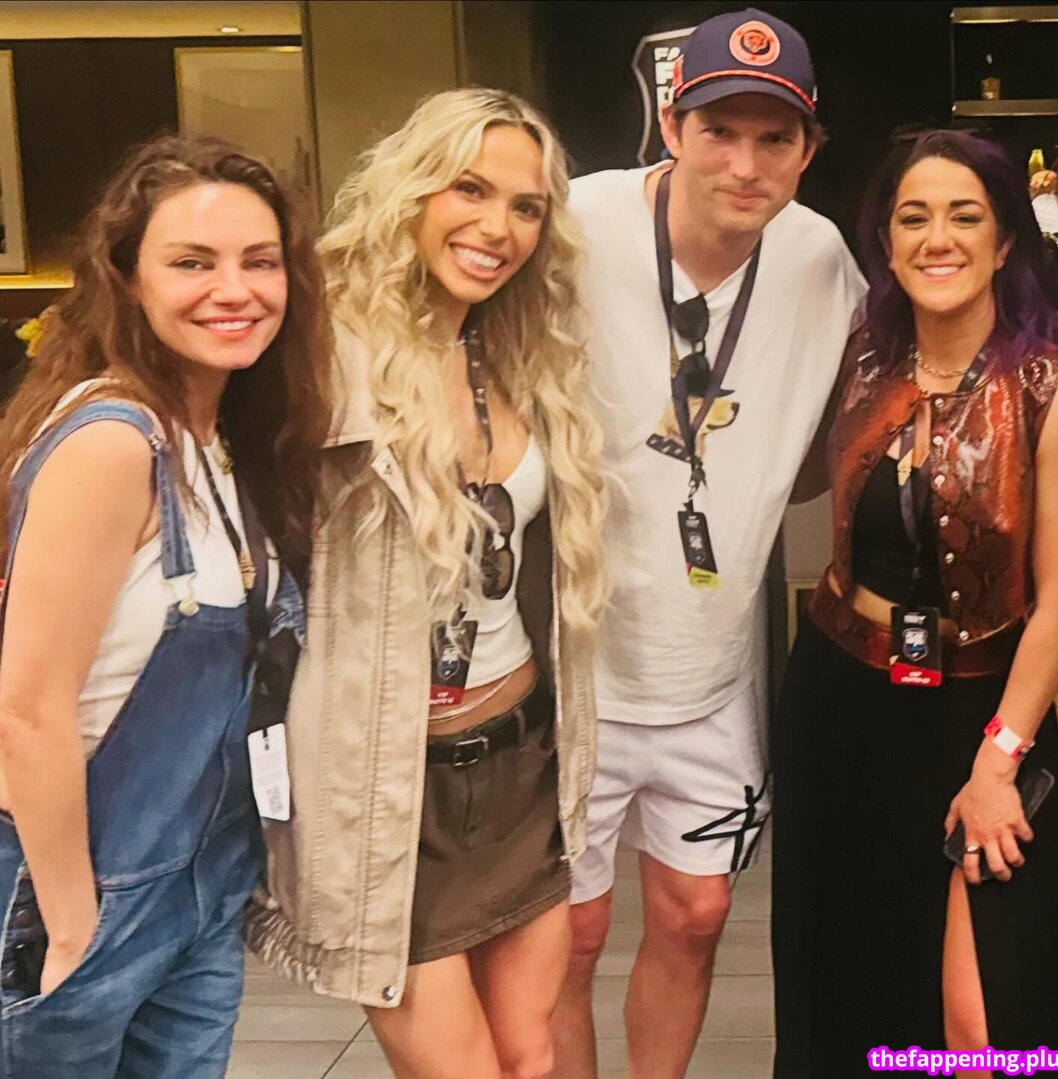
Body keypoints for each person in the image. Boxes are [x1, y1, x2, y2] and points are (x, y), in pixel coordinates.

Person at [245, 88, 607, 1079]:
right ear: (411, 191)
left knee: (532, 1056)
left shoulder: (513, 352)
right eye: (469, 190)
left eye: (526, 207)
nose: (498, 228)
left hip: (521, 766)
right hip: (388, 790)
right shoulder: (319, 349)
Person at [550, 9, 866, 1078]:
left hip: (712, 661)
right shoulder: (578, 223)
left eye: (775, 138)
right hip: (573, 659)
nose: (744, 163)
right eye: (719, 130)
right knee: (572, 933)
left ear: (809, 150)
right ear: (673, 126)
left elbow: (842, 428)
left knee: (694, 912)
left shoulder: (818, 257)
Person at [0, 133, 330, 1077]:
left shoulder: (221, 440)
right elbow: (26, 709)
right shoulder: (112, 441)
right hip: (82, 896)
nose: (234, 289)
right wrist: (73, 927)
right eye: (192, 262)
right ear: (127, 279)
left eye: (259, 261)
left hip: (198, 894)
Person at [771, 129, 1058, 1076]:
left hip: (982, 715)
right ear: (888, 242)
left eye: (963, 216)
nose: (937, 238)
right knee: (847, 977)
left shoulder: (1053, 389)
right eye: (913, 218)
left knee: (980, 1021)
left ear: (1004, 240)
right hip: (840, 700)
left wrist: (999, 761)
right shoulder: (858, 360)